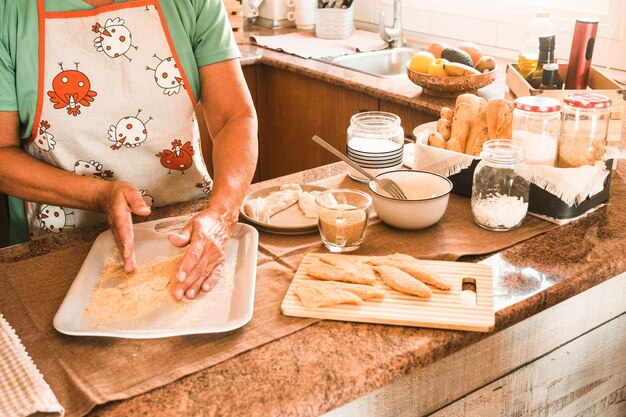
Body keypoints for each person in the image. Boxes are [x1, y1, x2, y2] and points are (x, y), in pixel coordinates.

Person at [0, 0, 258, 300]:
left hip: (185, 234)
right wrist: (98, 194)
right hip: (59, 246)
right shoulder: (11, 12)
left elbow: (234, 117)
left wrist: (222, 214)